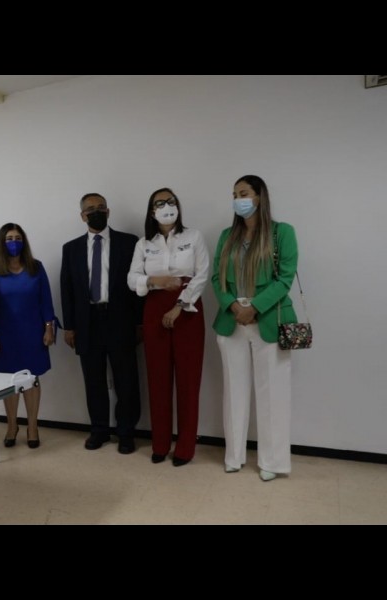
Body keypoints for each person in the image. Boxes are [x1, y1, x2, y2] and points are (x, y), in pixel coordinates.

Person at [212, 175, 298, 482]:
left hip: (269, 320)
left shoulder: (281, 232)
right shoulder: (227, 236)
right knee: (233, 391)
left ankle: (272, 462)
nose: (238, 199)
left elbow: (285, 278)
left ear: (259, 197)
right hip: (232, 321)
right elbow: (216, 278)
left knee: (273, 392)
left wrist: (255, 307)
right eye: (235, 194)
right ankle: (234, 456)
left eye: (244, 193)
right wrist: (233, 306)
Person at [127, 188, 209, 466]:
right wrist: (155, 281)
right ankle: (160, 444)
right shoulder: (144, 244)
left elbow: (201, 275)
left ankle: (185, 447)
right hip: (154, 307)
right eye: (159, 203)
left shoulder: (193, 237)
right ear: (152, 212)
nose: (166, 206)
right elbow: (132, 278)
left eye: (170, 201)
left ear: (178, 206)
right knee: (158, 378)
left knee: (188, 380)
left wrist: (179, 306)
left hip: (188, 308)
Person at [61, 193, 143, 454]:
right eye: (90, 209)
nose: (96, 212)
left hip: (120, 319)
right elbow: (67, 289)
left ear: (108, 211)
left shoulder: (129, 242)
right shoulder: (71, 248)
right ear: (82, 216)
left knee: (126, 380)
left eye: (101, 207)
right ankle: (99, 430)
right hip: (87, 322)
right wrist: (69, 326)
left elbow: (138, 286)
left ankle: (126, 432)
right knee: (93, 380)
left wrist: (139, 322)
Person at [0, 223, 58, 449]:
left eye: (17, 238)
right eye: (9, 239)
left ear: (23, 241)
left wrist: (49, 327)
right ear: (2, 242)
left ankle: (32, 427)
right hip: (4, 334)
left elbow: (46, 299)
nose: (14, 242)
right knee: (10, 381)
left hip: (32, 332)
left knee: (32, 379)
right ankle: (12, 426)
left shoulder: (36, 267)